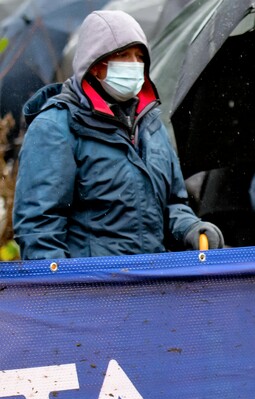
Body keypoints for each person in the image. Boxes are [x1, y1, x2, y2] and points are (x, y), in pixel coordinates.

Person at [13, 10, 223, 260]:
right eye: (122, 55)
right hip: (94, 290)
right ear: (94, 66)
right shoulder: (56, 126)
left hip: (153, 285)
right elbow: (39, 228)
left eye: (139, 56)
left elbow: (172, 204)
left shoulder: (151, 125)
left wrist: (191, 228)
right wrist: (63, 293)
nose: (134, 65)